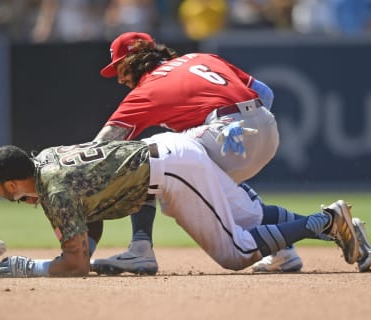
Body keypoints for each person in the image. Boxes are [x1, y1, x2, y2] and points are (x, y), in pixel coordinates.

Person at [0, 132, 371, 277]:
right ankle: (347, 232)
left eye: (0, 188)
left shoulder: (53, 191)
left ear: (15, 182)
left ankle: (325, 221)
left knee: (236, 252)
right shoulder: (50, 157)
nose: (0, 194)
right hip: (172, 149)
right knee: (251, 217)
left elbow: (74, 265)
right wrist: (84, 247)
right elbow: (91, 217)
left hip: (170, 169)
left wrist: (28, 266)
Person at [89, 31, 293, 275]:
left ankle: (140, 249)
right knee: (235, 203)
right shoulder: (201, 58)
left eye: (120, 69)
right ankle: (299, 242)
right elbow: (266, 93)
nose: (120, 79)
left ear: (134, 61)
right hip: (266, 128)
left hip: (225, 131)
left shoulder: (146, 91)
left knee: (149, 159)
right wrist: (250, 127)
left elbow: (101, 146)